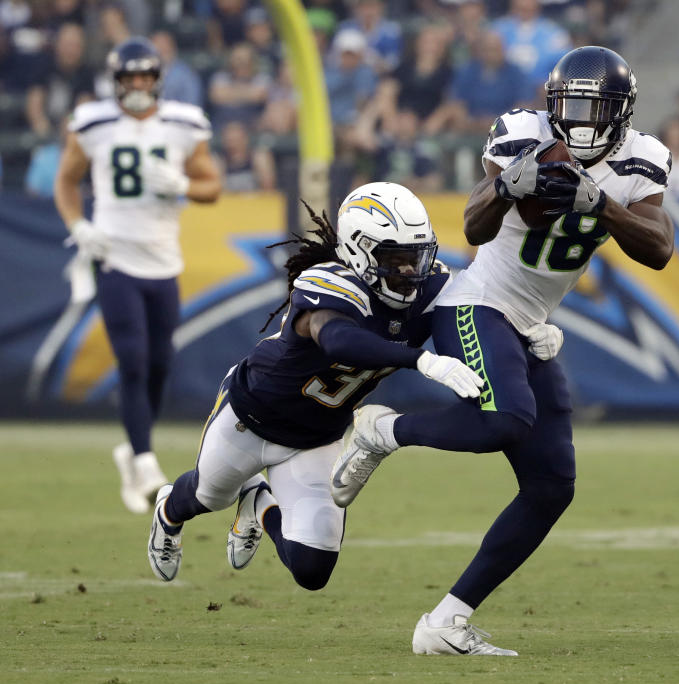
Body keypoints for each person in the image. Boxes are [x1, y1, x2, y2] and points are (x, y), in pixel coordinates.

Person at [329, 46, 674, 655]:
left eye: (595, 108)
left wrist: (604, 204)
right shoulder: (522, 133)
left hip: (529, 322)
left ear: (621, 113)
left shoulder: (641, 158)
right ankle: (382, 431)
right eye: (571, 106)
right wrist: (506, 186)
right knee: (507, 419)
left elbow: (658, 248)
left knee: (551, 485)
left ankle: (445, 622)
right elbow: (474, 226)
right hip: (476, 303)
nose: (582, 121)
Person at [145, 184, 484, 591]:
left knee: (312, 570)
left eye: (416, 257)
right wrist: (420, 359)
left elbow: (482, 311)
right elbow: (339, 339)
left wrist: (528, 332)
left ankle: (259, 503)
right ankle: (168, 512)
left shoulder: (431, 288)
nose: (410, 272)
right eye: (396, 259)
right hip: (252, 417)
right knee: (207, 497)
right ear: (360, 251)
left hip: (318, 438)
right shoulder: (329, 282)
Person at [53, 37, 221, 514]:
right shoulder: (93, 123)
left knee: (160, 363)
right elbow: (66, 180)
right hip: (113, 254)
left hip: (164, 259)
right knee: (131, 357)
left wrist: (185, 184)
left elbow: (213, 186)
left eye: (145, 76)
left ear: (158, 78)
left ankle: (132, 447)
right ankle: (145, 460)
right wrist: (78, 225)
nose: (138, 85)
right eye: (130, 77)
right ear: (116, 80)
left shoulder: (184, 124)